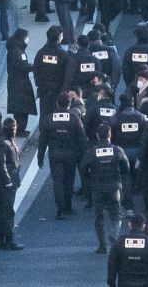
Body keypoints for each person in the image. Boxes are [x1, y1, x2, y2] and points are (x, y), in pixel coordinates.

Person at [80, 123, 129, 254]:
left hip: (98, 187)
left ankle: (102, 246)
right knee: (116, 213)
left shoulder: (92, 151)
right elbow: (126, 167)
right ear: (110, 135)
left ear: (97, 135)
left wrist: (91, 177)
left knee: (98, 216)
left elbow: (83, 167)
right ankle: (114, 234)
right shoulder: (117, 150)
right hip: (114, 187)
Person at [38, 91, 86, 219]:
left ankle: (60, 209)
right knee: (69, 181)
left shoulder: (49, 119)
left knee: (57, 181)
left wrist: (40, 156)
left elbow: (42, 140)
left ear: (57, 103)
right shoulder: (74, 119)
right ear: (69, 104)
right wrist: (83, 156)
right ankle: (68, 206)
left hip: (55, 154)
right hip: (71, 154)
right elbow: (82, 139)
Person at [0, 118, 24, 251]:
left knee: (4, 211)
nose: (14, 130)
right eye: (12, 127)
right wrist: (7, 180)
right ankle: (7, 239)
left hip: (11, 180)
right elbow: (0, 163)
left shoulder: (9, 141)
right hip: (6, 183)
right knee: (7, 211)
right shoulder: (3, 143)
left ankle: (1, 238)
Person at [110, 94, 145, 211]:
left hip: (121, 151)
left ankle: (127, 202)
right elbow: (144, 136)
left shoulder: (116, 117)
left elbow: (112, 136)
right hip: (136, 151)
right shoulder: (140, 117)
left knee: (125, 177)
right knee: (135, 176)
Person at [107, 213, 148, 287]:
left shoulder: (119, 242)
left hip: (124, 283)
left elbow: (112, 265)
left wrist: (111, 283)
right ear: (144, 226)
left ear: (129, 225)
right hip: (146, 283)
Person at [33, 25, 69, 118]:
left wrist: (39, 84)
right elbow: (67, 74)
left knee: (44, 115)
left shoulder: (40, 53)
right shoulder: (63, 54)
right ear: (60, 37)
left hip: (44, 89)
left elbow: (36, 70)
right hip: (58, 90)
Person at [6, 28, 36, 135]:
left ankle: (21, 128)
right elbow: (22, 65)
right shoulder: (16, 51)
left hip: (18, 81)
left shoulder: (16, 49)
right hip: (19, 83)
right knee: (21, 107)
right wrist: (34, 66)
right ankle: (20, 129)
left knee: (21, 107)